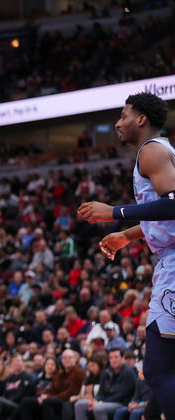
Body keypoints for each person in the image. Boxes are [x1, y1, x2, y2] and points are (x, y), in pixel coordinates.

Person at [78, 92, 174, 419]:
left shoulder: (152, 152)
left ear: (142, 119)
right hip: (169, 258)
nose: (118, 123)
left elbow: (173, 205)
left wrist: (115, 213)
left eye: (123, 116)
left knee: (158, 370)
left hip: (174, 264)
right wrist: (128, 235)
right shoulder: (159, 152)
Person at [74, 348, 136, 420]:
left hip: (121, 403)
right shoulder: (106, 372)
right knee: (79, 404)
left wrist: (100, 402)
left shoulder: (129, 373)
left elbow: (121, 395)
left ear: (122, 358)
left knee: (98, 408)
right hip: (105, 402)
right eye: (111, 358)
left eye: (116, 357)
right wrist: (94, 400)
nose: (113, 360)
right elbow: (100, 393)